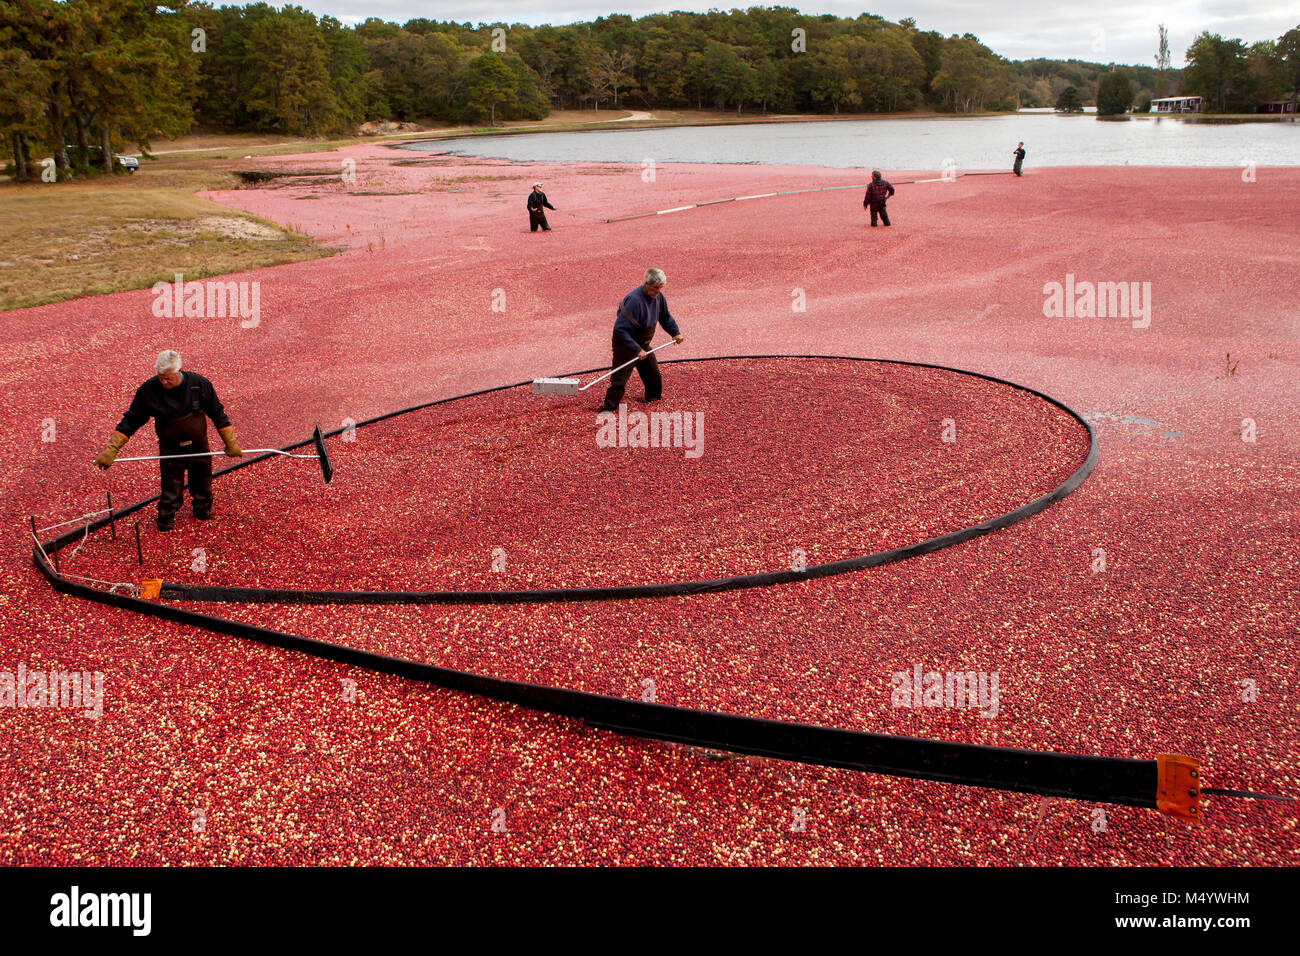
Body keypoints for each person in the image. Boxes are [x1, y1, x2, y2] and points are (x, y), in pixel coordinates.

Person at [94, 350, 242, 531]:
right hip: (170, 449)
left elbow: (217, 413)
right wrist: (112, 449)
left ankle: (203, 510)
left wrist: (230, 443)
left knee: (202, 481)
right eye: (160, 377)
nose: (164, 382)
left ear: (179, 370)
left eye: (168, 378)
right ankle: (166, 519)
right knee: (171, 486)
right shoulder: (148, 391)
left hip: (198, 446)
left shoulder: (199, 385)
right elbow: (131, 420)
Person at [600, 268, 686, 413]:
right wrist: (636, 349)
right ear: (646, 284)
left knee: (652, 371)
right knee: (619, 377)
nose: (658, 291)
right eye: (655, 288)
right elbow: (620, 330)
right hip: (625, 344)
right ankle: (608, 407)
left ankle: (653, 396)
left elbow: (665, 317)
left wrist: (675, 332)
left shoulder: (658, 297)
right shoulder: (634, 301)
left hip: (643, 343)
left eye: (660, 288)